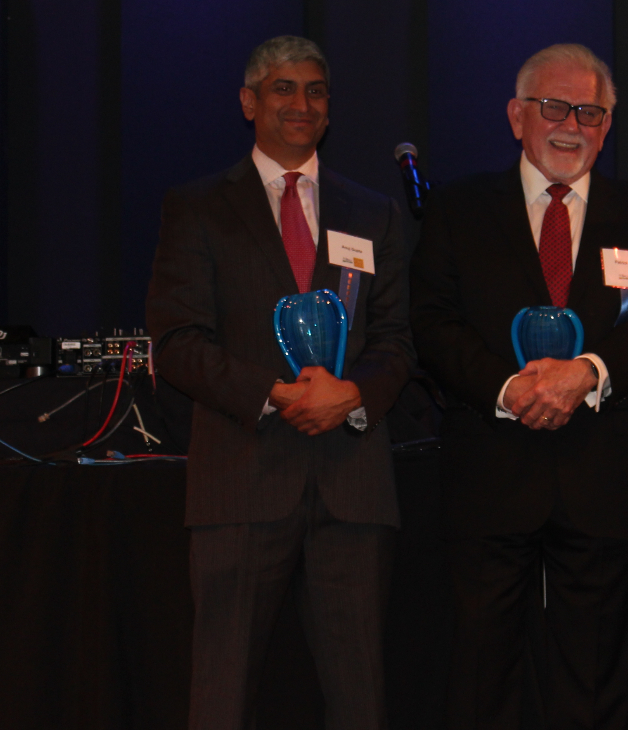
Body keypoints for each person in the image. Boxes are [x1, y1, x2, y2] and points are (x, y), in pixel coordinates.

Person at [410, 43, 628, 730]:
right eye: (554, 106)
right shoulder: (458, 210)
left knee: (592, 679)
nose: (572, 123)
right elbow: (434, 325)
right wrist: (509, 389)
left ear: (608, 124)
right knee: (477, 675)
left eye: (590, 111)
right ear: (516, 116)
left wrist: (586, 374)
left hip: (601, 477)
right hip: (489, 474)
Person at [145, 35, 413, 730]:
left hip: (352, 486)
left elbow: (397, 339)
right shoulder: (199, 207)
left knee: (361, 699)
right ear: (249, 102)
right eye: (284, 89)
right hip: (241, 477)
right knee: (222, 696)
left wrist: (352, 395)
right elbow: (176, 343)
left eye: (316, 90)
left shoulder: (374, 213)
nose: (302, 104)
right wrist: (276, 393)